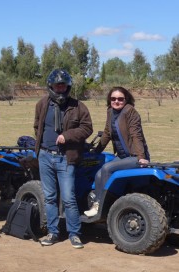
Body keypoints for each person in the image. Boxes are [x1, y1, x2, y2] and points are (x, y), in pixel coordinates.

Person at [34, 69, 93, 249]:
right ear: (51, 86)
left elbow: (87, 128)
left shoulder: (78, 106)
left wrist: (67, 136)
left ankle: (74, 234)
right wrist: (44, 145)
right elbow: (37, 126)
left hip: (66, 158)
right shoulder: (42, 104)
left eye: (63, 85)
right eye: (57, 85)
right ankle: (53, 232)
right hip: (45, 156)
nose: (60, 88)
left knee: (68, 198)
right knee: (50, 197)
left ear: (67, 86)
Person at [84, 87, 149, 217]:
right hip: (121, 156)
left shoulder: (130, 112)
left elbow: (136, 135)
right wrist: (96, 151)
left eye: (120, 99)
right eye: (113, 99)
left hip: (134, 156)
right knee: (98, 174)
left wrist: (141, 157)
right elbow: (107, 133)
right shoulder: (110, 112)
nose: (116, 101)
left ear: (126, 100)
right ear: (109, 99)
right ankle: (96, 204)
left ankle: (102, 206)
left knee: (107, 168)